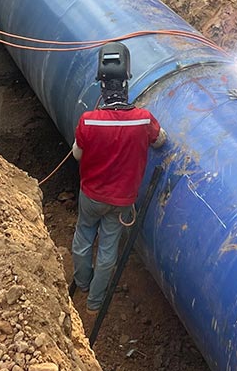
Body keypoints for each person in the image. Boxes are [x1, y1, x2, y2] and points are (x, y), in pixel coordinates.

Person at [70, 42, 166, 313]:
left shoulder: (89, 120)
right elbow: (160, 140)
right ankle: (95, 302)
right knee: (108, 250)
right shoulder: (143, 119)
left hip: (91, 195)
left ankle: (82, 282)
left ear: (102, 87)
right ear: (126, 84)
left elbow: (77, 154)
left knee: (84, 236)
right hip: (122, 200)